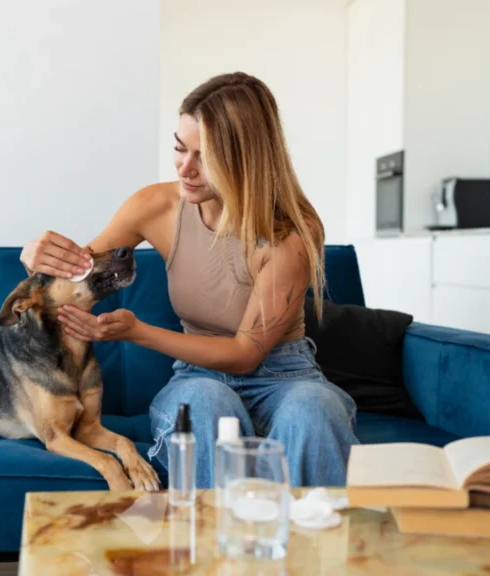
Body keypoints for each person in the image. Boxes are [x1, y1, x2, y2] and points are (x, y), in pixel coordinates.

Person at [20, 72, 359, 488]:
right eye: (180, 149)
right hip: (199, 377)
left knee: (314, 410)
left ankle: (316, 551)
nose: (186, 168)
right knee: (206, 402)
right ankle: (211, 549)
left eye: (206, 158)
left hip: (286, 378)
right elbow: (79, 271)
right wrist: (37, 258)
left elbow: (245, 354)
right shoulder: (156, 205)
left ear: (247, 160)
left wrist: (139, 333)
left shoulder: (291, 233)